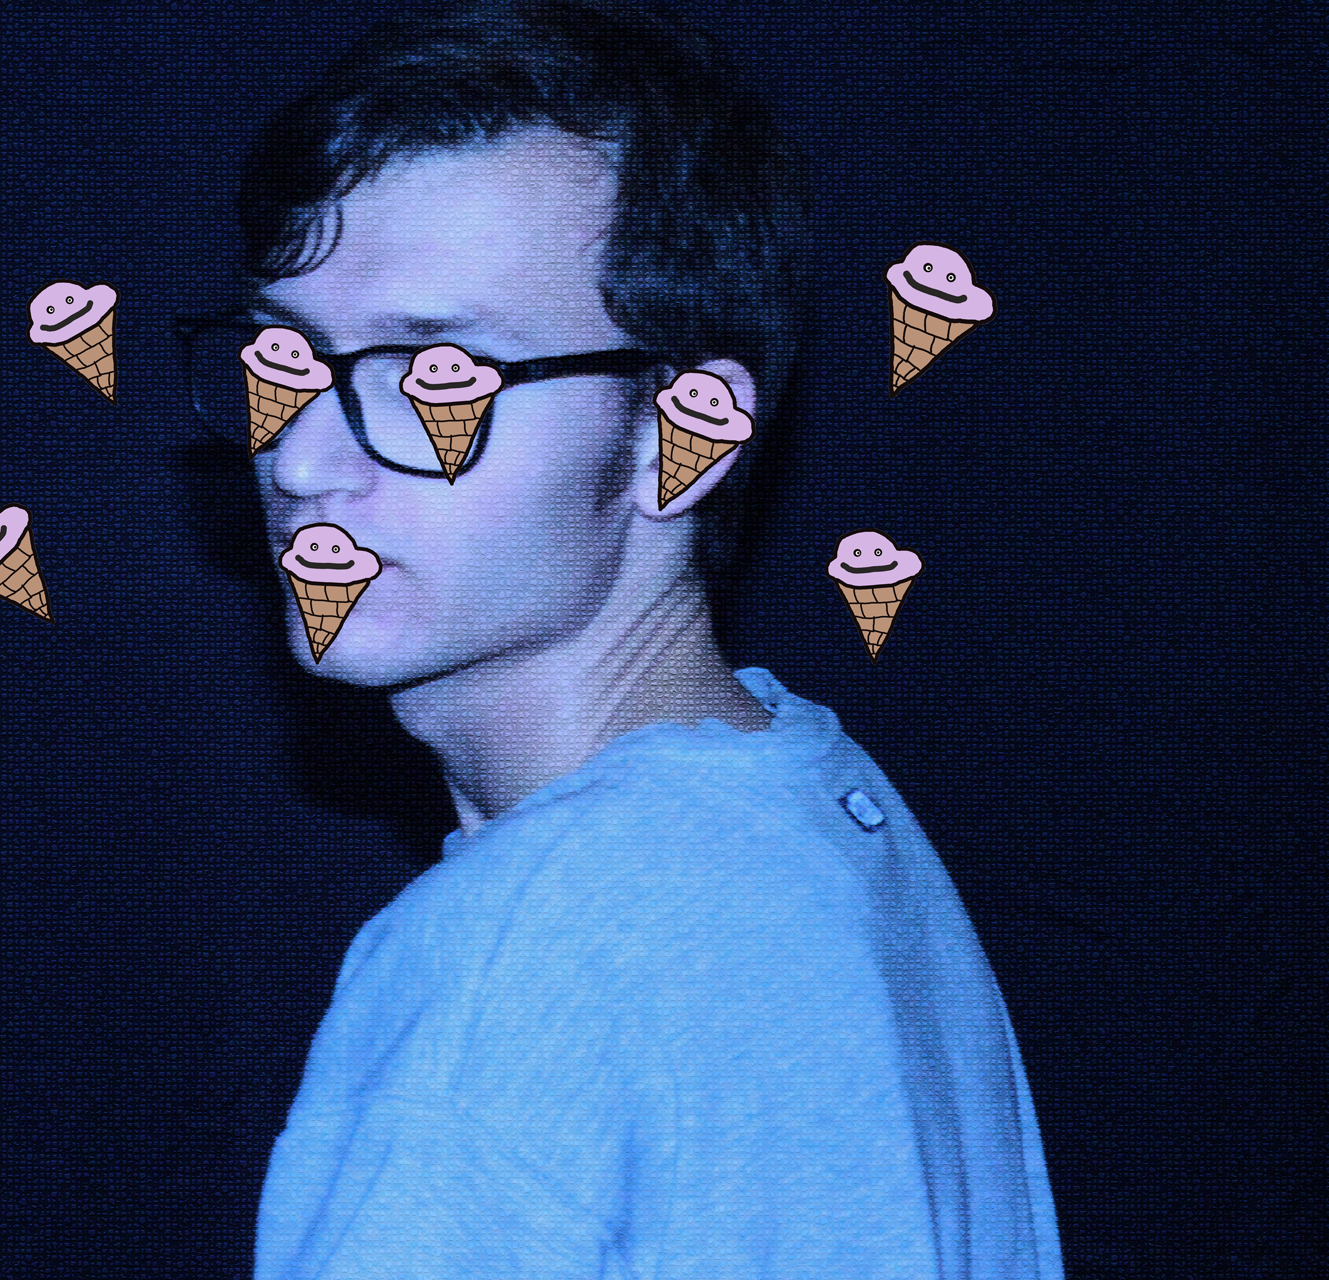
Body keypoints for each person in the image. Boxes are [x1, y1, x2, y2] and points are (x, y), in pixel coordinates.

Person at [177, 2, 1065, 1275]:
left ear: (682, 436)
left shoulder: (516, 952)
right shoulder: (817, 808)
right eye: (287, 355)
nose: (304, 458)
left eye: (437, 374)